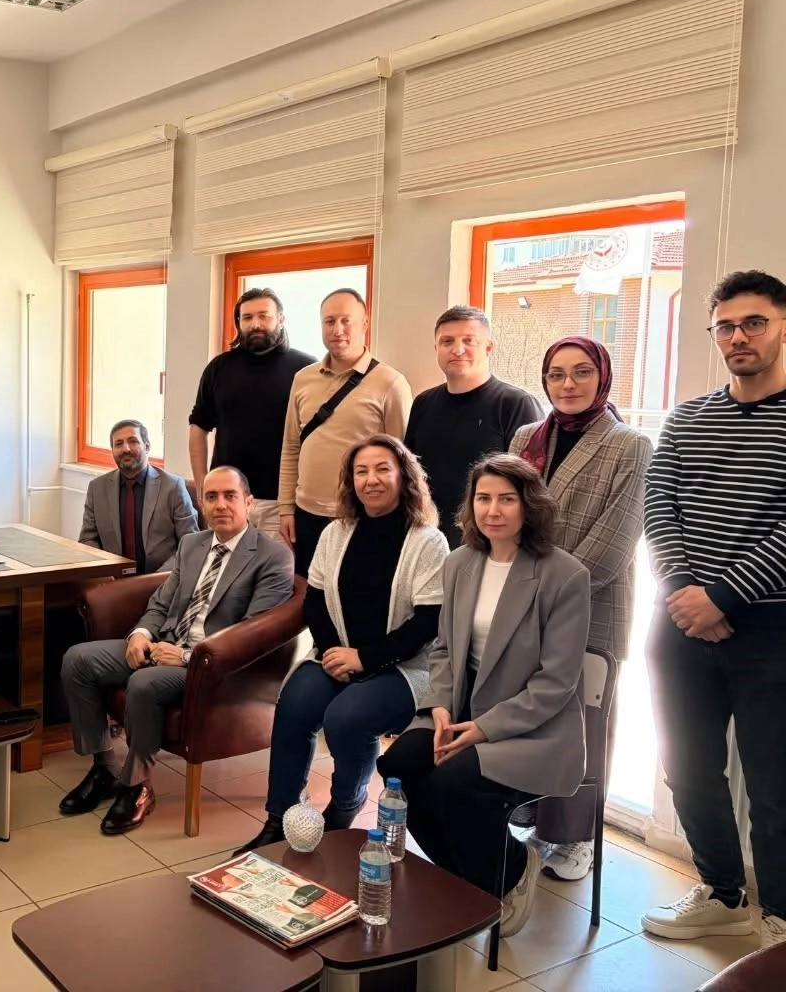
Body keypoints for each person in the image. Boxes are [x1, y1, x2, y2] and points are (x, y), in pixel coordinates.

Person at [377, 454, 590, 939]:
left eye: (506, 499)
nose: (493, 510)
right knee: (400, 765)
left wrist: (482, 729)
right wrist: (441, 706)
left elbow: (556, 683)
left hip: (534, 727)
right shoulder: (460, 563)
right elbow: (444, 650)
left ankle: (511, 869)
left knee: (453, 782)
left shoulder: (564, 576)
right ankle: (468, 880)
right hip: (461, 710)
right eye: (483, 498)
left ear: (529, 505)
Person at [641, 269, 786, 950]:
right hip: (680, 623)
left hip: (771, 630)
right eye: (725, 326)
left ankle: (779, 918)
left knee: (774, 787)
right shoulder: (688, 417)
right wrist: (686, 592)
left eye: (753, 322)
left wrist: (723, 596)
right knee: (688, 771)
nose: (737, 337)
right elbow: (658, 506)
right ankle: (724, 894)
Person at [236, 435, 447, 854]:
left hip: (405, 666)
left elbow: (427, 623)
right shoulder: (336, 532)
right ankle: (280, 818)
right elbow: (314, 602)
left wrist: (364, 659)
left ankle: (345, 806)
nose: (371, 479)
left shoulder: (428, 541)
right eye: (361, 471)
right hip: (338, 655)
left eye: (382, 469)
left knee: (346, 718)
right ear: (351, 481)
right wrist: (336, 654)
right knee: (295, 705)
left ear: (404, 476)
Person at [58, 466, 295, 835]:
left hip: (212, 666)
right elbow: (161, 601)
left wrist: (187, 657)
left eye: (230, 496)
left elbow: (252, 636)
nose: (220, 505)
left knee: (145, 683)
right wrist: (140, 634)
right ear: (201, 504)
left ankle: (137, 786)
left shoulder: (272, 556)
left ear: (249, 503)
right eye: (211, 497)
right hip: (165, 643)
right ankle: (104, 768)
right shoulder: (193, 544)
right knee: (78, 660)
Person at [508, 335, 651, 882]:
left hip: (592, 602)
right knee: (532, 714)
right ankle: (535, 815)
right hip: (520, 600)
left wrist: (543, 594)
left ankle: (575, 838)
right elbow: (504, 513)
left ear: (603, 377)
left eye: (582, 372)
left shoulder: (630, 445)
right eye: (556, 374)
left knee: (585, 724)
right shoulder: (527, 437)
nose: (568, 384)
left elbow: (613, 546)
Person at [279, 289, 411, 574]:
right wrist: (286, 507)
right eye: (329, 321)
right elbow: (291, 446)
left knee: (356, 594)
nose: (337, 330)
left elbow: (402, 461)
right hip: (306, 514)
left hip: (362, 516)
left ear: (364, 323)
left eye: (345, 321)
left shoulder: (390, 383)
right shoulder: (302, 379)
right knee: (308, 593)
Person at [405, 306, 542, 548]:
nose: (457, 349)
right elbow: (411, 475)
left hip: (490, 545)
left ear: (488, 348)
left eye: (469, 341)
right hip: (427, 540)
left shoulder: (516, 405)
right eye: (447, 341)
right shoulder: (423, 403)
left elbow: (530, 490)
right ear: (436, 349)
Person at [189, 288, 317, 538]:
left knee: (278, 565)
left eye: (264, 316)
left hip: (282, 504)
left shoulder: (306, 369)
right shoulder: (219, 368)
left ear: (281, 319)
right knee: (226, 563)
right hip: (228, 498)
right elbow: (198, 427)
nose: (255, 324)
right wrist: (203, 484)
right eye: (247, 317)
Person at [79, 419, 199, 574]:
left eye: (133, 441)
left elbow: (190, 543)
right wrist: (103, 573)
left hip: (161, 578)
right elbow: (87, 539)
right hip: (113, 579)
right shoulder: (97, 488)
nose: (125, 449)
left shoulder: (172, 486)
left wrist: (157, 579)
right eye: (118, 444)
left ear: (147, 446)